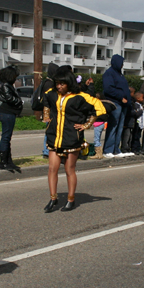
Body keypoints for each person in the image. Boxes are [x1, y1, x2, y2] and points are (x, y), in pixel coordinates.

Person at [42, 68, 106, 212]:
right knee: (52, 168)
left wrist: (86, 125)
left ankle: (71, 199)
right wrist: (46, 115)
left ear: (69, 83)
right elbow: (45, 101)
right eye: (57, 83)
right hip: (54, 137)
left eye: (62, 84)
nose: (59, 86)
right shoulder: (51, 94)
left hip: (72, 137)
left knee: (69, 169)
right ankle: (53, 198)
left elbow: (99, 107)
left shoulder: (81, 97)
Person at [102, 54, 130, 158]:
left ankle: (116, 149)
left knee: (119, 127)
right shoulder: (109, 73)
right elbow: (108, 89)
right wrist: (120, 97)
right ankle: (108, 149)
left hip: (123, 104)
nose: (122, 65)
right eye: (121, 63)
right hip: (115, 103)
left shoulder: (120, 74)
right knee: (113, 126)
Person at [0, 65, 23, 172]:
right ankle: (3, 162)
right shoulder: (5, 85)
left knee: (7, 137)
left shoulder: (7, 84)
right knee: (6, 137)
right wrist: (19, 102)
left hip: (8, 113)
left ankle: (8, 161)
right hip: (6, 112)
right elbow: (9, 98)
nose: (16, 78)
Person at [40, 63, 59, 158]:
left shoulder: (46, 82)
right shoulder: (49, 84)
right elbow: (50, 99)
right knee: (49, 131)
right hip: (50, 111)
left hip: (50, 111)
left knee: (50, 131)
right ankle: (46, 151)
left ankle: (48, 150)